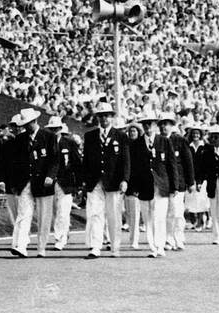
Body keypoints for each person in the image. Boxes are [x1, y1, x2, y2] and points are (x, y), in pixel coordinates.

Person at [3, 108, 57, 258]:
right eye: (24, 124)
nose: (26, 127)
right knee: (23, 214)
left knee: (44, 216)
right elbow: (15, 163)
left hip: (44, 181)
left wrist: (51, 176)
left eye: (28, 124)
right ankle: (20, 245)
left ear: (35, 121)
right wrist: (14, 183)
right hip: (25, 181)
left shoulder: (49, 137)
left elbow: (54, 160)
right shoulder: (20, 139)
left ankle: (41, 247)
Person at [82, 102, 129, 258]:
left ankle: (115, 246)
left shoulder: (121, 136)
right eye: (101, 116)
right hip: (95, 181)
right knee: (95, 213)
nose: (104, 119)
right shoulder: (90, 136)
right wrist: (85, 180)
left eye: (107, 116)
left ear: (112, 117)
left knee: (113, 215)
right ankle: (96, 246)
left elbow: (125, 160)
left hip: (114, 181)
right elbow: (86, 160)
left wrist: (125, 179)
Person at [139, 117, 177, 258]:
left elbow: (171, 164)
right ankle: (152, 246)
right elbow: (134, 168)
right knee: (147, 217)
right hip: (144, 186)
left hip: (161, 185)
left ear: (155, 125)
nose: (148, 127)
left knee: (159, 216)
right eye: (145, 124)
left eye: (150, 124)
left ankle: (160, 245)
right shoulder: (137, 143)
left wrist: (174, 186)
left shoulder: (164, 141)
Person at [162, 113, 195, 249]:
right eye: (162, 124)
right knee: (166, 212)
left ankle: (179, 238)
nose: (164, 126)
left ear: (172, 125)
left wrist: (191, 181)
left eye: (167, 123)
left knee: (177, 212)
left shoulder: (179, 140)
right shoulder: (158, 140)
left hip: (179, 183)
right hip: (164, 183)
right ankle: (168, 239)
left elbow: (188, 162)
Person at [49, 118, 82, 251]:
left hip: (66, 183)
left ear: (60, 129)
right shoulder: (46, 143)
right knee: (55, 212)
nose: (54, 131)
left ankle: (59, 239)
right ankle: (64, 232)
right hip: (51, 183)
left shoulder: (69, 143)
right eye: (52, 129)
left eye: (56, 128)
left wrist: (79, 185)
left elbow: (77, 164)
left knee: (63, 211)